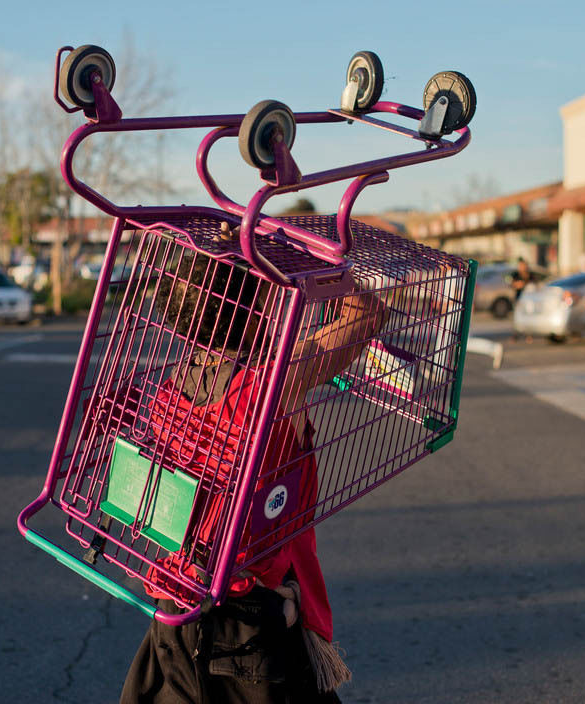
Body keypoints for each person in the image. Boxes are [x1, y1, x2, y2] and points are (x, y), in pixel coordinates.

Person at [120, 223, 387, 704]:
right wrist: (309, 260)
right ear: (257, 305)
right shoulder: (274, 383)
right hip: (250, 623)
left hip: (174, 611)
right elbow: (366, 313)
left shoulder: (166, 395)